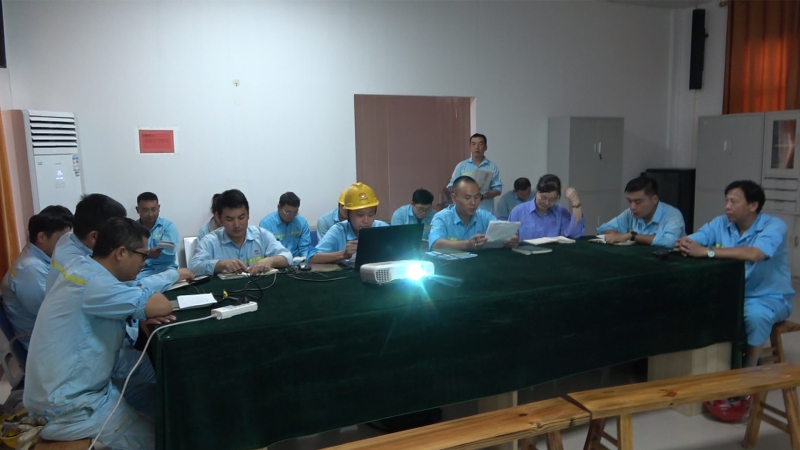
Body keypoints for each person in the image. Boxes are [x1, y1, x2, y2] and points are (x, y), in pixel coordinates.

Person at [24, 217, 175, 448]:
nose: (144, 263)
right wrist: (145, 308)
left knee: (157, 398)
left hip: (73, 386)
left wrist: (140, 308)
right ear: (121, 253)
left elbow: (130, 292)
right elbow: (160, 305)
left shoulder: (84, 267)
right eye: (142, 256)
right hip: (71, 404)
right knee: (161, 439)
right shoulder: (95, 284)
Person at [676, 181, 794, 368]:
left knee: (756, 316)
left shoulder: (774, 226)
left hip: (768, 297)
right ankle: (714, 363)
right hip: (731, 294)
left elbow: (755, 254)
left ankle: (749, 366)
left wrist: (707, 251)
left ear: (753, 205)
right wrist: (685, 243)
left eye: (733, 201)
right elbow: (692, 241)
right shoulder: (720, 223)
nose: (727, 207)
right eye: (726, 201)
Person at [46, 194, 191, 294]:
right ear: (95, 236)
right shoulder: (82, 268)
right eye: (117, 232)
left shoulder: (68, 239)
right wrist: (172, 276)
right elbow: (126, 290)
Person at [1, 207, 73, 349]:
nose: (68, 246)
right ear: (42, 238)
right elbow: (53, 314)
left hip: (52, 336)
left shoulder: (41, 259)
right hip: (44, 346)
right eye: (63, 239)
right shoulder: (30, 269)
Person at [190, 189, 292, 275]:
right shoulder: (210, 241)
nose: (237, 225)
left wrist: (270, 261)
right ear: (220, 219)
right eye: (229, 219)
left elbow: (288, 257)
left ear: (248, 215)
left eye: (241, 217)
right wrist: (221, 264)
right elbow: (193, 267)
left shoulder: (261, 235)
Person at [430, 176, 518, 251]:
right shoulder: (442, 217)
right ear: (454, 198)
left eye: (477, 197)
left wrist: (511, 240)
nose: (473, 202)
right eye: (467, 198)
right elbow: (436, 243)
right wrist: (467, 245)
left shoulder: (484, 216)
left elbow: (504, 231)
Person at [308, 183, 389, 263]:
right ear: (347, 214)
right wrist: (343, 254)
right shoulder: (338, 231)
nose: (366, 221)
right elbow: (312, 258)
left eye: (371, 215)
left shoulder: (383, 228)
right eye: (360, 215)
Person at [597, 175, 685, 248]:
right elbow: (603, 228)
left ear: (654, 200)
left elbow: (669, 242)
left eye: (638, 202)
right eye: (629, 201)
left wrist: (631, 236)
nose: (632, 207)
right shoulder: (630, 213)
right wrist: (615, 236)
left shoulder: (673, 215)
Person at [509, 174, 584, 240]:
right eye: (543, 198)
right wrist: (512, 240)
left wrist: (575, 202)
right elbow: (508, 237)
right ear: (537, 190)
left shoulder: (560, 211)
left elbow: (574, 235)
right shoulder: (518, 211)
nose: (546, 203)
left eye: (552, 199)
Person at [447, 133, 502, 212]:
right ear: (470, 147)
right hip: (464, 211)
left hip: (485, 210)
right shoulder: (461, 166)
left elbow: (498, 189)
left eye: (480, 144)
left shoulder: (492, 167)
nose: (477, 147)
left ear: (485, 147)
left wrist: (482, 196)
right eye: (473, 144)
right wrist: (465, 191)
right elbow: (451, 186)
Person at [135, 192, 179, 279]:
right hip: (141, 272)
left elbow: (169, 256)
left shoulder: (168, 226)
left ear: (159, 208)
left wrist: (145, 259)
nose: (150, 214)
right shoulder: (132, 229)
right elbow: (130, 257)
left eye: (153, 209)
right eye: (145, 210)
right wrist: (148, 254)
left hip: (165, 270)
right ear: (137, 210)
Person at [259, 192, 311, 260]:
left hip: (297, 262)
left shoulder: (302, 223)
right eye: (288, 212)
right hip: (277, 262)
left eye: (295, 213)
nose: (292, 216)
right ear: (279, 207)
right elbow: (265, 251)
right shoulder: (266, 224)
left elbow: (305, 249)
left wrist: (305, 261)